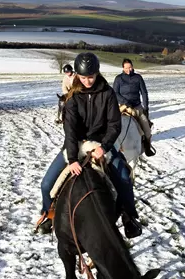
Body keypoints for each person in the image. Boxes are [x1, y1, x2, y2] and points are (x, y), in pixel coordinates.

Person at [36, 52, 142, 238]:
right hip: (76, 145)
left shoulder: (107, 93)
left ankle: (130, 217)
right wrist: (71, 159)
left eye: (91, 77)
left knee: (124, 178)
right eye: (83, 77)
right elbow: (70, 130)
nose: (87, 81)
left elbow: (114, 125)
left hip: (102, 144)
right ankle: (49, 214)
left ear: (97, 73)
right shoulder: (72, 97)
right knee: (46, 184)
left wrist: (105, 146)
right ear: (77, 75)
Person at [113, 59, 155, 156]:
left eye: (130, 67)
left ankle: (147, 147)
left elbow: (144, 92)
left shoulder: (138, 77)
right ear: (123, 68)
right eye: (126, 68)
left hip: (137, 107)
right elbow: (115, 93)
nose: (129, 69)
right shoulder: (118, 79)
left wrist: (146, 107)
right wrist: (125, 102)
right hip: (123, 107)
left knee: (147, 130)